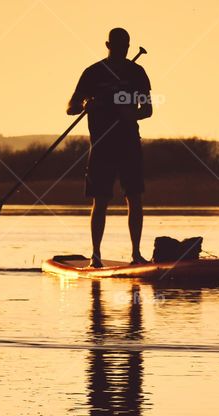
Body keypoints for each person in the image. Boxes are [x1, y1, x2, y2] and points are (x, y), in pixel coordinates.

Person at [67, 27, 152, 267]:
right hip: (101, 145)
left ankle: (136, 255)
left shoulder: (137, 72)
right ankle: (95, 257)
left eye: (125, 46)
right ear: (108, 45)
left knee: (134, 196)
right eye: (117, 46)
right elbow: (70, 107)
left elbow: (147, 110)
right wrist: (86, 103)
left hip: (128, 143)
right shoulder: (92, 73)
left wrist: (130, 114)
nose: (122, 51)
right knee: (100, 199)